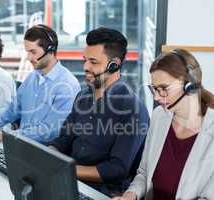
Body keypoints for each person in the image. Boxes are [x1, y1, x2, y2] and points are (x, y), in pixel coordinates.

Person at [49, 27, 150, 196]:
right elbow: (64, 140)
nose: (85, 66)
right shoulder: (82, 96)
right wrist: (48, 155)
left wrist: (66, 169)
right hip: (70, 182)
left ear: (114, 65)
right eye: (85, 60)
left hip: (102, 192)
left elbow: (116, 169)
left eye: (93, 62)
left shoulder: (131, 108)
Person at [112, 49, 214, 200]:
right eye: (154, 89)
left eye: (164, 89)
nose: (157, 97)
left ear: (190, 86)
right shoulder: (159, 116)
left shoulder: (210, 129)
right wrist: (130, 195)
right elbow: (144, 173)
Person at [0, 24, 81, 144]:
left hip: (43, 155)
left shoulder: (67, 85)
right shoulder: (32, 78)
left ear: (50, 50)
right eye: (27, 52)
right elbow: (10, 111)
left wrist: (2, 136)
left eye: (33, 52)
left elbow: (50, 131)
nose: (28, 57)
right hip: (20, 148)